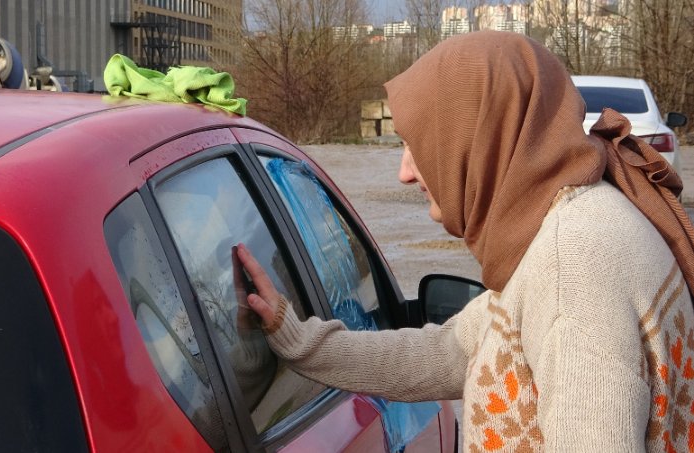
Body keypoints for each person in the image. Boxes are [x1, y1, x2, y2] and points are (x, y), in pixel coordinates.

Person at [236, 30, 694, 451]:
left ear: (473, 138)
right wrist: (293, 336)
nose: (405, 172)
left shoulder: (570, 268)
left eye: (419, 143)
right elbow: (446, 353)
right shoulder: (568, 222)